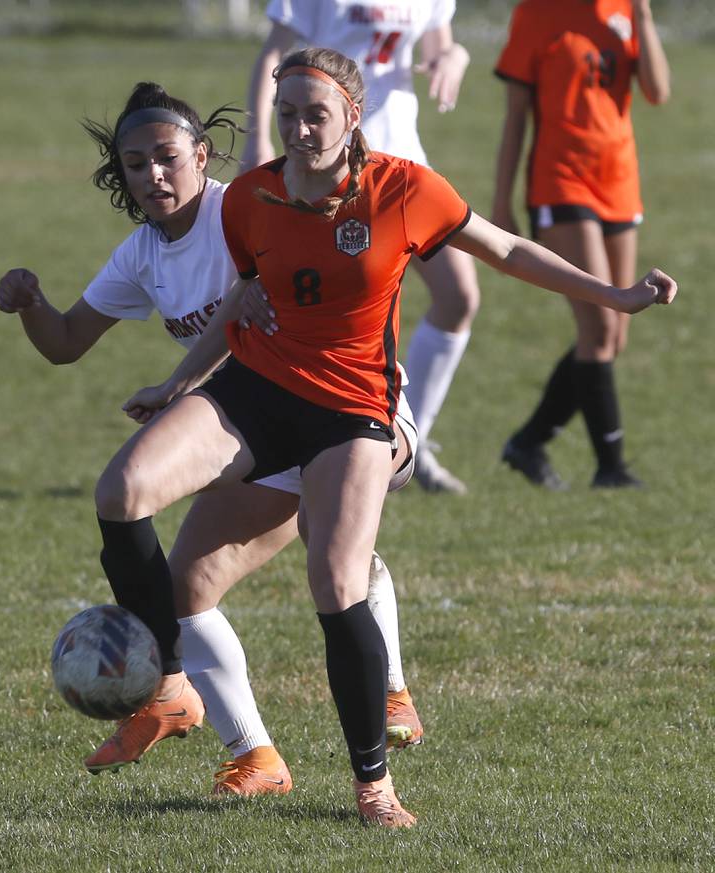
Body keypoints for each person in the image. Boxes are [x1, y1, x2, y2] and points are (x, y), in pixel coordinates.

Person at [69, 51, 674, 827]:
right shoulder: (250, 197)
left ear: (352, 114)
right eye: (286, 113)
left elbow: (509, 251)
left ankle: (373, 785)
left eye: (313, 113)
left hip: (352, 406)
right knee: (120, 491)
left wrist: (616, 296)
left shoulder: (405, 189)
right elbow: (245, 299)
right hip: (254, 391)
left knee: (335, 579)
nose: (297, 127)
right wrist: (179, 384)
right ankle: (168, 682)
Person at [0, 82, 423, 798]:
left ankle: (390, 691)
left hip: (353, 410)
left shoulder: (249, 206)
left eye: (167, 158)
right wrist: (33, 305)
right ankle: (252, 752)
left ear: (202, 154)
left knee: (334, 543)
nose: (153, 176)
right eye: (135, 164)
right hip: (252, 430)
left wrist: (185, 387)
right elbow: (67, 342)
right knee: (185, 589)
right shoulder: (143, 254)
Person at [242, 0, 478, 494]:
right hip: (330, 162)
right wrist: (257, 136)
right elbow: (273, 56)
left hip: (400, 161)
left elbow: (438, 45)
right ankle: (285, 441)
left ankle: (413, 442)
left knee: (458, 298)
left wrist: (454, 57)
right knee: (299, 308)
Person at [492, 0, 671, 489]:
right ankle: (610, 469)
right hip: (560, 183)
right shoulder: (537, 12)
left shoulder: (626, 11)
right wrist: (502, 201)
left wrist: (644, 15)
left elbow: (658, 92)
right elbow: (516, 118)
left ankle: (528, 443)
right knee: (598, 324)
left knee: (615, 335)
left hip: (618, 183)